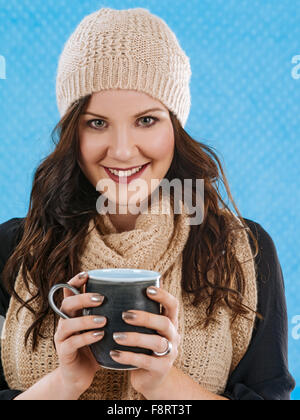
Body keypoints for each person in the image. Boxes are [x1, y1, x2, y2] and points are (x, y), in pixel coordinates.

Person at [0, 7, 295, 400]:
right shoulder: (16, 247)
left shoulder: (244, 250)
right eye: (97, 123)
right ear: (74, 132)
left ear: (175, 125)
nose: (122, 151)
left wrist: (165, 383)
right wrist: (64, 383)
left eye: (146, 120)